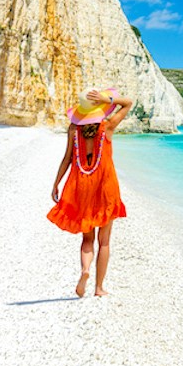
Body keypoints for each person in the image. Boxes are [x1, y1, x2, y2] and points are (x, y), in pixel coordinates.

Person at [47, 87, 133, 297]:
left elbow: (67, 158)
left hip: (82, 186)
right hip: (105, 186)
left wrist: (56, 183)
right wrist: (109, 98)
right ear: (102, 109)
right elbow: (128, 103)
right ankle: (99, 287)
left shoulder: (73, 130)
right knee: (104, 241)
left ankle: (85, 270)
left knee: (87, 239)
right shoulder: (108, 126)